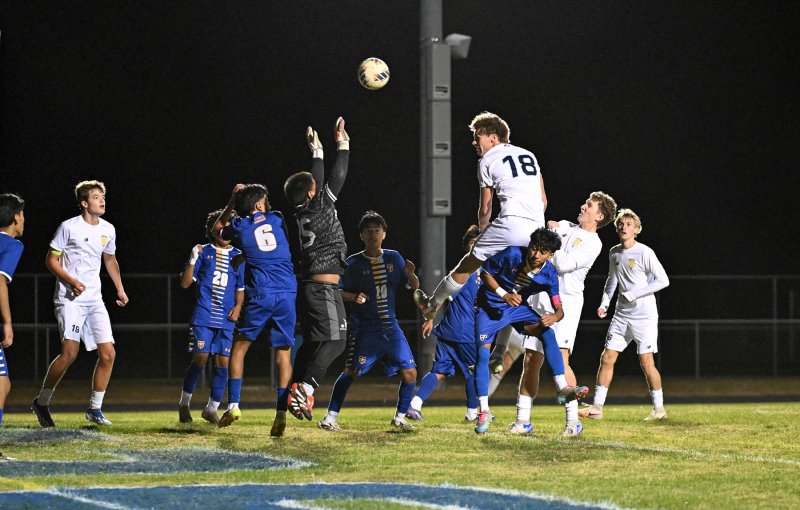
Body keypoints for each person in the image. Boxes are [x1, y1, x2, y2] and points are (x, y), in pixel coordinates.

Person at [493, 192, 618, 436]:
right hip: (539, 300)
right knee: (531, 360)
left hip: (565, 306)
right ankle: (522, 421)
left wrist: (550, 244)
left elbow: (563, 264)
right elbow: (544, 235)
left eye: (589, 205)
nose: (583, 205)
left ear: (599, 215)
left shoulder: (594, 242)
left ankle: (573, 422)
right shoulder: (565, 226)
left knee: (560, 362)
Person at [415, 112, 547, 321]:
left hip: (511, 223)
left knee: (468, 265)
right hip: (537, 228)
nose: (474, 142)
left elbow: (486, 207)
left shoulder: (487, 159)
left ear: (493, 137)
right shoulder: (529, 154)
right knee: (521, 278)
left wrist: (483, 230)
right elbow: (543, 200)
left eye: (478, 137)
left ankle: (431, 304)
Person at [32, 181, 128, 427]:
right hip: (69, 299)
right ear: (85, 203)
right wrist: (71, 281)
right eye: (96, 197)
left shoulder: (108, 229)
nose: (102, 200)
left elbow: (110, 260)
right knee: (70, 353)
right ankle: (41, 402)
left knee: (108, 354)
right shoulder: (69, 227)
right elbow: (51, 260)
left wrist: (119, 288)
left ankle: (95, 408)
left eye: (103, 196)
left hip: (94, 299)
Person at [473, 228, 587, 435]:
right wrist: (504, 294)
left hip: (515, 309)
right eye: (534, 248)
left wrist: (554, 316)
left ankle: (562, 387)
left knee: (547, 332)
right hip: (489, 308)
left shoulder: (549, 274)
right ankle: (483, 411)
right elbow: (486, 272)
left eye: (543, 252)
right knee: (482, 356)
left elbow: (558, 308)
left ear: (550, 255)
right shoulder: (513, 254)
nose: (536, 255)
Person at [317, 211, 420, 431]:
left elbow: (413, 286)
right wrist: (353, 297)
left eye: (377, 230)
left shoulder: (394, 257)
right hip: (365, 328)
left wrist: (411, 274)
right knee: (350, 372)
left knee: (410, 372)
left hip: (390, 327)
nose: (373, 234)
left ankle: (400, 418)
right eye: (368, 231)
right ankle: (330, 417)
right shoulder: (353, 263)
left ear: (384, 234)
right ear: (362, 235)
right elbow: (336, 291)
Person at [211, 183, 296, 437]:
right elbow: (278, 247)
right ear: (260, 204)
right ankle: (281, 412)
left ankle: (234, 406)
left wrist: (231, 201)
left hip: (261, 292)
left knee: (239, 349)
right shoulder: (277, 218)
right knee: (284, 354)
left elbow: (216, 231)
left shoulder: (240, 226)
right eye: (265, 199)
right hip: (287, 292)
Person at [283, 118, 350, 422]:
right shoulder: (320, 206)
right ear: (312, 193)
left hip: (311, 286)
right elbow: (336, 176)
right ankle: (306, 390)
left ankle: (290, 396)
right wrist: (342, 146)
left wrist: (319, 152)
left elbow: (319, 179)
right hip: (323, 288)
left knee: (313, 345)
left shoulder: (302, 210)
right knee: (337, 341)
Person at [579, 208, 670, 421]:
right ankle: (597, 407)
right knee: (607, 358)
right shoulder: (614, 252)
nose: (623, 227)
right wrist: (604, 303)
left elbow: (663, 280)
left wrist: (634, 293)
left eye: (629, 224)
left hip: (644, 317)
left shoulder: (645, 252)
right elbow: (612, 280)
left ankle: (659, 410)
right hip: (621, 315)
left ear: (637, 230)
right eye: (621, 224)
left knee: (646, 362)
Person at [407, 225, 482, 423]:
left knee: (438, 372)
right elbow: (445, 296)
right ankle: (472, 414)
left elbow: (442, 296)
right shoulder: (470, 273)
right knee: (474, 373)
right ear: (467, 247)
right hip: (466, 333)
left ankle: (414, 405)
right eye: (472, 244)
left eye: (478, 243)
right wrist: (431, 317)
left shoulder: (467, 272)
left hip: (449, 331)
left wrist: (431, 318)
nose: (475, 248)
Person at [177, 209, 245, 424]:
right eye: (220, 223)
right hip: (204, 315)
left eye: (228, 223)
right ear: (211, 229)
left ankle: (211, 408)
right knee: (200, 358)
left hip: (225, 318)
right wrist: (192, 259)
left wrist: (239, 306)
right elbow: (185, 283)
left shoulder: (238, 256)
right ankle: (184, 404)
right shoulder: (203, 251)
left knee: (223, 362)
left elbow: (240, 287)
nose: (223, 227)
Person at [0, 193, 25, 430]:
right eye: (22, 214)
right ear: (16, 218)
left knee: (3, 384)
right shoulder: (12, 244)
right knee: (0, 385)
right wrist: (7, 322)